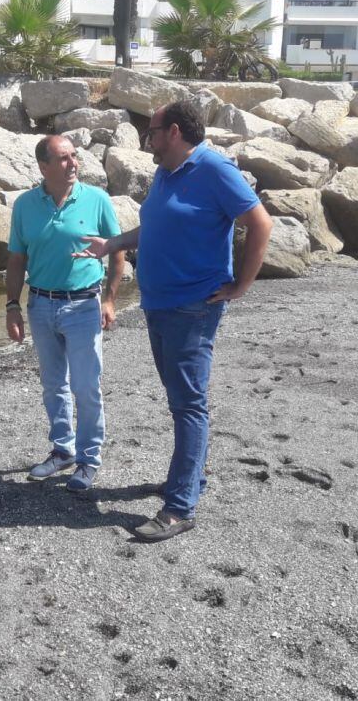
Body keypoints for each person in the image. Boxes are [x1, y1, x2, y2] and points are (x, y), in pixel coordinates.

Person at [75, 101, 273, 540]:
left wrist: (242, 284)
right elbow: (156, 227)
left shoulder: (215, 170)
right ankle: (190, 477)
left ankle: (180, 506)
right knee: (180, 399)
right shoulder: (166, 171)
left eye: (153, 132)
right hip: (159, 303)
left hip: (193, 307)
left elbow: (260, 223)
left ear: (176, 131)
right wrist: (111, 244)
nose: (148, 141)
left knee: (188, 404)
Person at [6, 135, 126, 491]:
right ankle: (63, 450)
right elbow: (16, 259)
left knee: (86, 386)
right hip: (40, 305)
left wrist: (110, 299)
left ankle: (88, 459)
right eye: (63, 158)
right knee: (53, 385)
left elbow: (117, 251)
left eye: (74, 156)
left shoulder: (97, 200)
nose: (73, 163)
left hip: (82, 305)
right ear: (43, 166)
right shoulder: (25, 205)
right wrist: (12, 306)